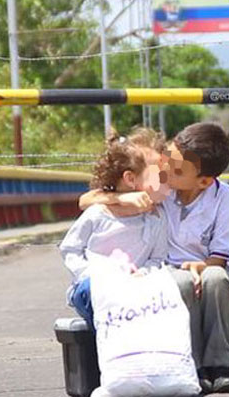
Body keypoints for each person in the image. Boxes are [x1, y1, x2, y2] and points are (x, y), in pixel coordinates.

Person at [78, 122, 229, 394]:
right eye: (168, 159)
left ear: (204, 181)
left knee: (218, 280)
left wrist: (203, 267)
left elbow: (220, 254)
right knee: (178, 283)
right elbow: (86, 200)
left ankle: (222, 364)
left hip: (206, 268)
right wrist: (123, 199)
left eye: (176, 169)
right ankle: (192, 364)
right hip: (162, 270)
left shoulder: (223, 197)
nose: (166, 169)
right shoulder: (160, 189)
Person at [60, 131, 169, 329]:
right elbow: (71, 248)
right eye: (159, 174)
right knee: (96, 294)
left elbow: (157, 258)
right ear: (130, 178)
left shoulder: (155, 218)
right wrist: (89, 274)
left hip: (137, 284)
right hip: (93, 284)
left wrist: (142, 274)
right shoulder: (99, 213)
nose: (167, 178)